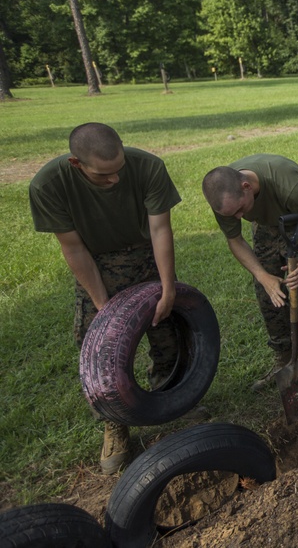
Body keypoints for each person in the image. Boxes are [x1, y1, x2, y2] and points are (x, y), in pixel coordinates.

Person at [29, 123, 181, 474]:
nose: (114, 180)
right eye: (103, 175)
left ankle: (172, 397)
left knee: (169, 331)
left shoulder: (148, 167)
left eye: (119, 170)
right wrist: (104, 307)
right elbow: (73, 248)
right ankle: (115, 426)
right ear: (76, 164)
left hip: (145, 255)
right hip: (96, 262)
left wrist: (168, 287)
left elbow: (160, 229)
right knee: (98, 349)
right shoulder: (49, 185)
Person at [202, 155, 298, 391]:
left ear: (246, 186)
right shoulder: (224, 198)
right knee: (269, 296)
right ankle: (283, 361)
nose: (238, 217)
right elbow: (235, 240)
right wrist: (263, 277)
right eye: (232, 215)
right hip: (266, 227)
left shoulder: (289, 186)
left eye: (240, 210)